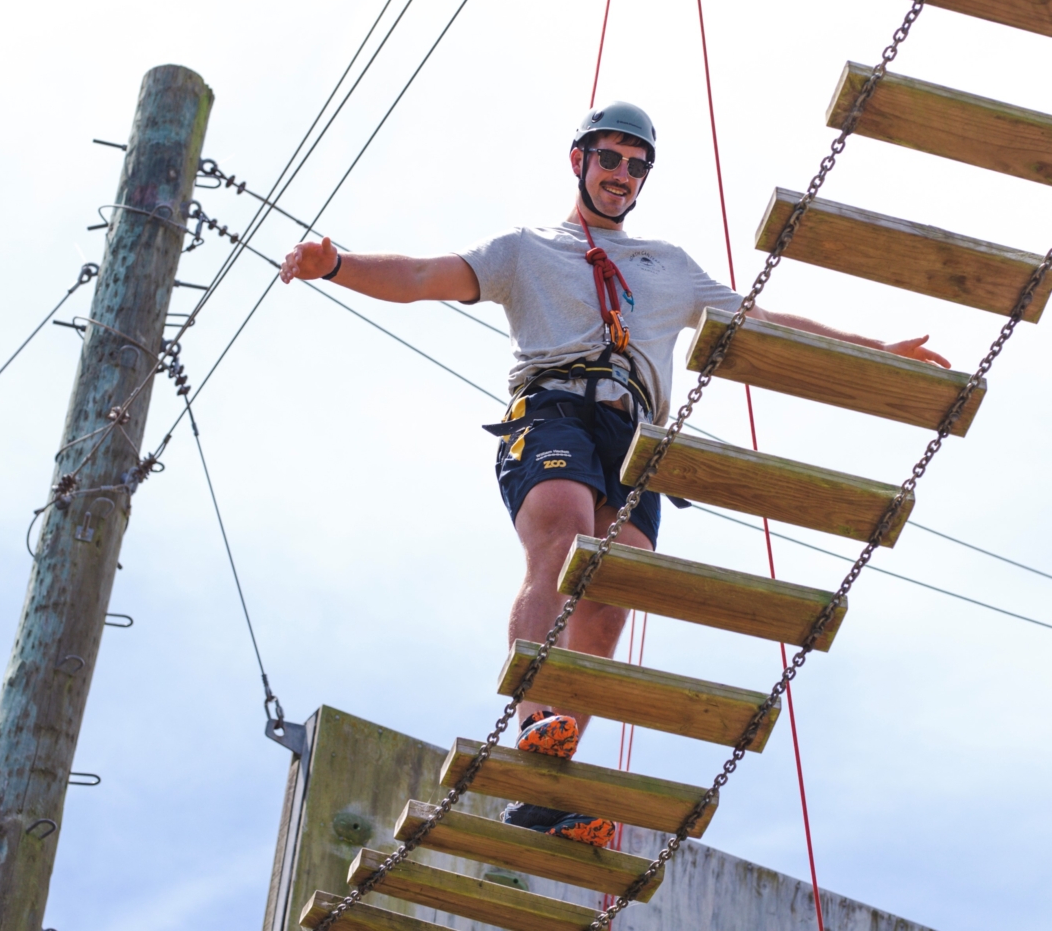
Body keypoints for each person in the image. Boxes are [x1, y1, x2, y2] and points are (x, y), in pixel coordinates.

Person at [280, 102, 949, 846]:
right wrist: (335, 265)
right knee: (564, 542)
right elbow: (419, 274)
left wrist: (873, 347)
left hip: (634, 432)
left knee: (613, 589)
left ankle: (547, 781)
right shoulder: (525, 249)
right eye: (610, 160)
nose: (622, 176)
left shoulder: (667, 265)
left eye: (636, 166)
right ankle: (534, 720)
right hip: (555, 407)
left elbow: (759, 323)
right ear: (579, 161)